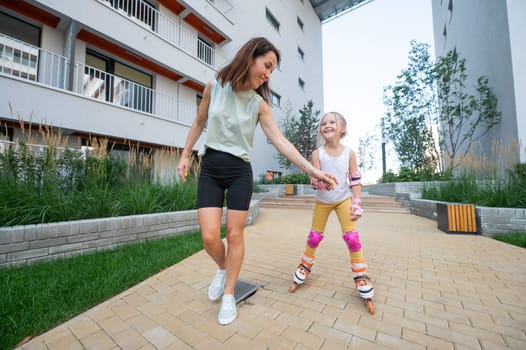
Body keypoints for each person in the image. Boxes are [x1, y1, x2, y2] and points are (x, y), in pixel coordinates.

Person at [176, 37, 337, 325]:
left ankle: (228, 295)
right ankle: (225, 269)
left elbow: (281, 142)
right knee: (210, 237)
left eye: (272, 69)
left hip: (239, 171)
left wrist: (313, 171)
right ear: (251, 58)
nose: (268, 73)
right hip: (211, 166)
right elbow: (199, 122)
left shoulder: (259, 104)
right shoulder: (215, 86)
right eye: (267, 65)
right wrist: (185, 155)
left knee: (235, 235)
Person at [288, 111, 375, 312]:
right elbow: (314, 177)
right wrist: (317, 180)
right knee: (314, 237)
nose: (327, 125)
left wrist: (356, 202)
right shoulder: (317, 154)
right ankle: (304, 265)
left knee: (352, 238)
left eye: (332, 122)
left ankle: (361, 275)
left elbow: (354, 179)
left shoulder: (349, 153)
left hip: (342, 199)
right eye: (324, 123)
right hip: (323, 201)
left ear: (342, 128)